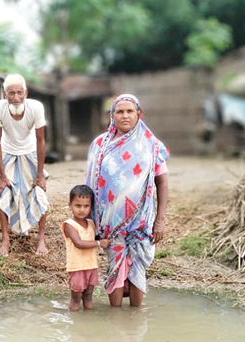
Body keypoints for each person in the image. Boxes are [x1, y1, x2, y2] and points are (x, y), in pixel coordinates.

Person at [85, 94, 169, 307]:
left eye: (130, 111)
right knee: (114, 268)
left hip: (141, 221)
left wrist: (160, 220)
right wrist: (89, 220)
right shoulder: (100, 145)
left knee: (137, 268)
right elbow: (91, 183)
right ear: (111, 115)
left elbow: (162, 184)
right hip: (110, 222)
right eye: (119, 111)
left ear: (139, 114)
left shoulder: (151, 145)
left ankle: (135, 318)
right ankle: (116, 320)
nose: (125, 115)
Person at [0, 73, 49, 256]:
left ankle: (41, 239)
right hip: (8, 153)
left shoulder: (36, 108)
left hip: (30, 153)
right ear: (4, 94)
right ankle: (5, 240)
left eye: (19, 93)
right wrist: (2, 174)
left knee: (39, 192)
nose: (16, 98)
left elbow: (41, 141)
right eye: (11, 93)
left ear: (26, 93)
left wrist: (40, 174)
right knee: (3, 193)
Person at [62, 185, 110, 311]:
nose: (82, 210)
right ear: (70, 205)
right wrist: (99, 243)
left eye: (86, 206)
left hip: (91, 266)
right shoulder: (69, 225)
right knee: (76, 298)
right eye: (78, 206)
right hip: (77, 267)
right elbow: (79, 243)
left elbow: (96, 237)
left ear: (91, 207)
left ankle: (88, 325)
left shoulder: (91, 223)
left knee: (88, 296)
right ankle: (76, 325)